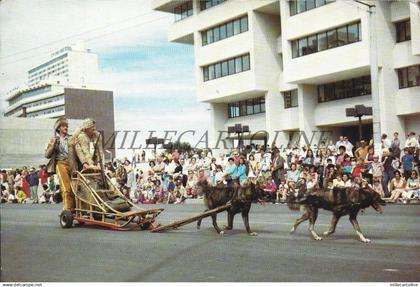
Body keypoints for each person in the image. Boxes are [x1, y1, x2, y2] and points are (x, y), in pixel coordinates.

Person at [44, 117, 77, 212]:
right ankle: (68, 209)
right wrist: (53, 145)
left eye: (67, 126)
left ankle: (76, 209)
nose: (66, 127)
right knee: (66, 187)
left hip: (72, 164)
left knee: (75, 187)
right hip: (61, 164)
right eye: (63, 126)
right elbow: (47, 155)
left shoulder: (71, 138)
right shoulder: (54, 139)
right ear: (58, 128)